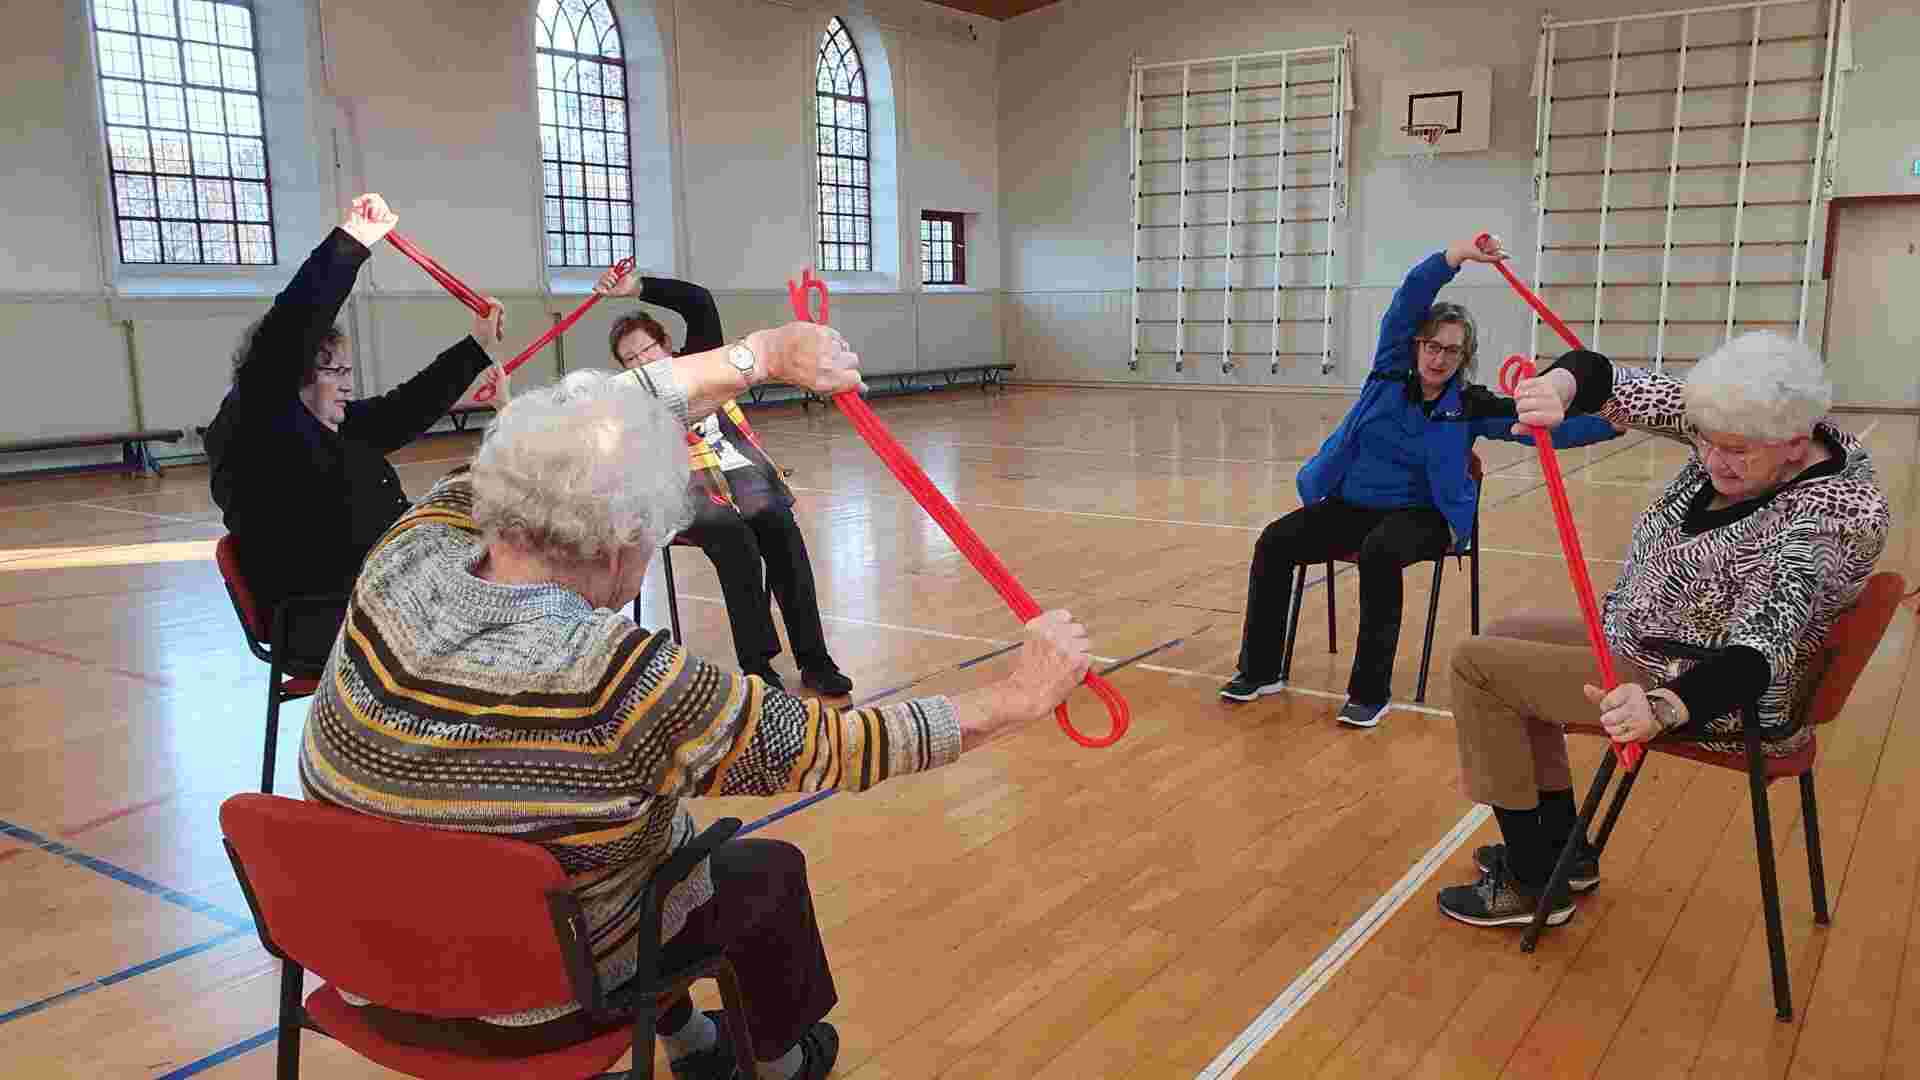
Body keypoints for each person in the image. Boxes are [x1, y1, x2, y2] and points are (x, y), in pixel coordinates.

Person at [298, 348, 1091, 1080]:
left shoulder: (407, 550)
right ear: (620, 546)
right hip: (532, 1004)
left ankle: (696, 1043)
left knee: (631, 854)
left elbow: (565, 438)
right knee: (751, 876)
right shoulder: (619, 679)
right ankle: (777, 1065)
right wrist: (1016, 697)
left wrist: (762, 356)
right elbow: (841, 747)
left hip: (367, 962)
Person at [1435, 331, 1890, 927]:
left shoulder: (1831, 518)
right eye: (1706, 442)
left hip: (1708, 688)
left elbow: (1757, 654)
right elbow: (1610, 381)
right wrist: (1558, 386)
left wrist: (1663, 708)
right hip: (1652, 638)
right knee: (1506, 631)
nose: (1714, 461)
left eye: (1735, 452)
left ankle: (1528, 882)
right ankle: (1563, 854)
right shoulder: (1740, 420)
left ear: (1795, 446)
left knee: (1477, 665)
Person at [1219, 235, 1623, 728]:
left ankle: (1370, 692)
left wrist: (1618, 419)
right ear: (1417, 345)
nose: (1439, 359)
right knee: (1276, 541)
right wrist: (1454, 257)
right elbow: (1409, 297)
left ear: (1464, 356)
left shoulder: (1471, 406)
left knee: (1381, 552)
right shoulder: (1387, 375)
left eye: (1453, 351)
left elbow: (1547, 428)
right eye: (1433, 346)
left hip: (1425, 517)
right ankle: (1259, 670)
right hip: (1352, 507)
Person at [204, 192, 507, 662]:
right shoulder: (257, 427)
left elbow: (405, 409)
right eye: (335, 372)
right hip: (327, 615)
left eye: (349, 371)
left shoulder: (334, 426)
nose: (347, 385)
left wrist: (476, 347)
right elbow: (286, 334)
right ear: (297, 377)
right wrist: (353, 242)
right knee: (497, 618)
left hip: (377, 597)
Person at [598, 268, 851, 696]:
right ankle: (757, 666)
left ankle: (815, 660)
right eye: (631, 360)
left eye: (648, 350)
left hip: (744, 478)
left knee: (781, 532)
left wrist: (637, 286)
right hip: (684, 492)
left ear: (667, 345)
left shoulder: (702, 365)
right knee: (735, 541)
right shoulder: (631, 397)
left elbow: (698, 301)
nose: (643, 363)